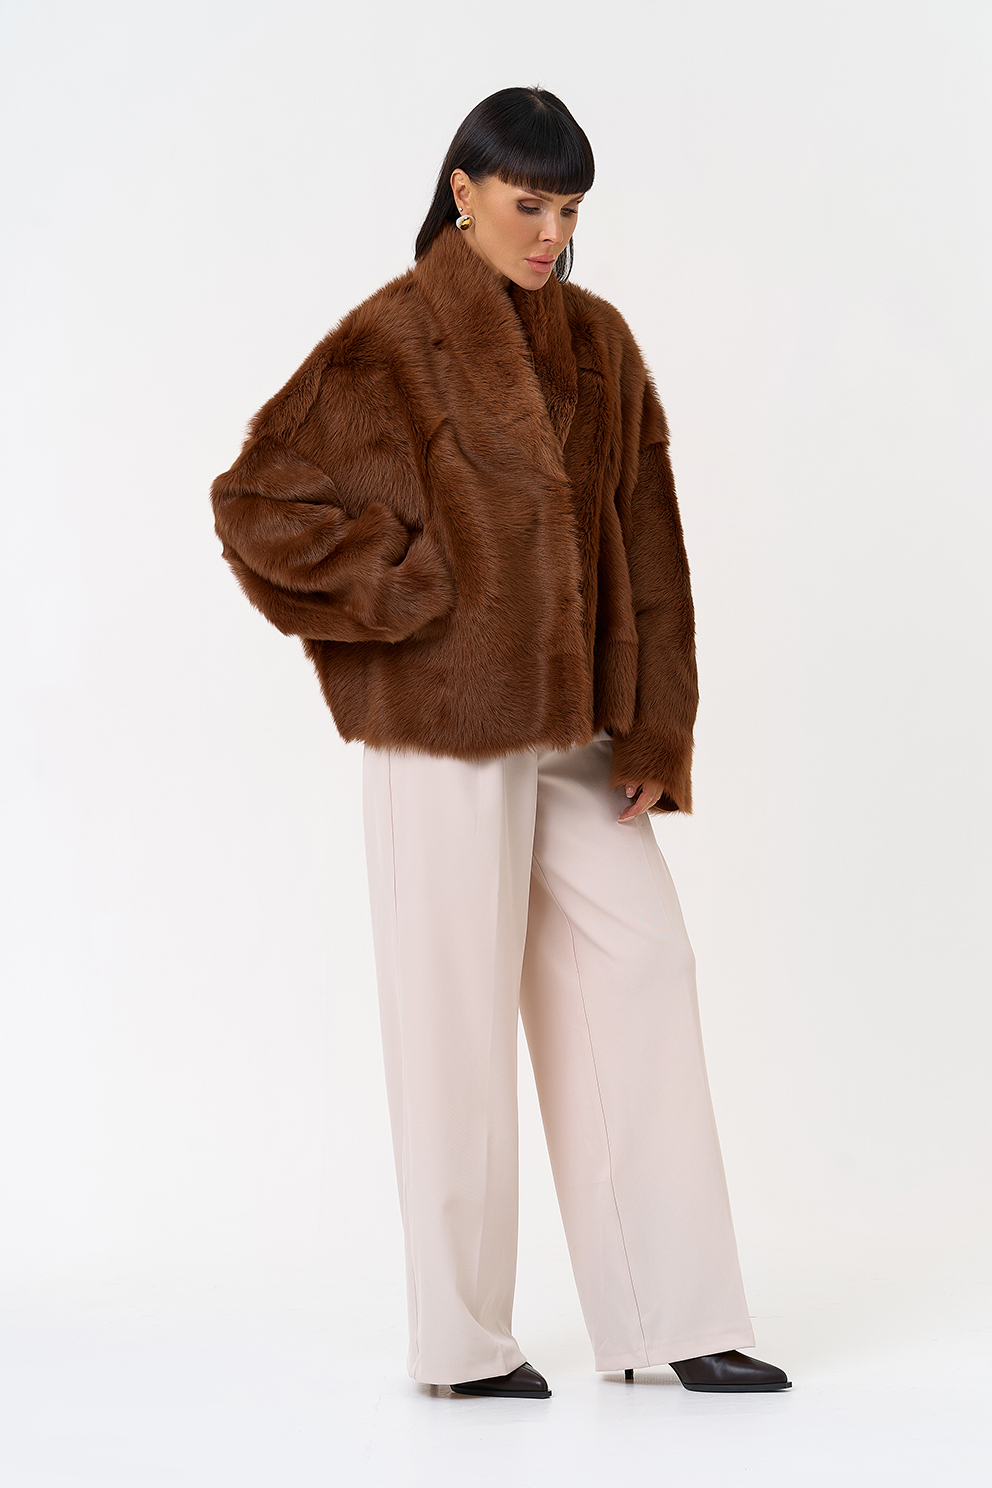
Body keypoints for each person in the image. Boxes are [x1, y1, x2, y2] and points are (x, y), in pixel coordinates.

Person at [210, 86, 790, 1401]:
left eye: (569, 209)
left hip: (574, 733)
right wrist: (409, 593)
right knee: (453, 1021)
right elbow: (256, 503)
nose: (551, 233)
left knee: (646, 964)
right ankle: (463, 1346)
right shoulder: (390, 341)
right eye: (530, 203)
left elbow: (649, 541)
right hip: (443, 733)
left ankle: (672, 1315)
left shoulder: (601, 343)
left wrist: (658, 725)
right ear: (462, 190)